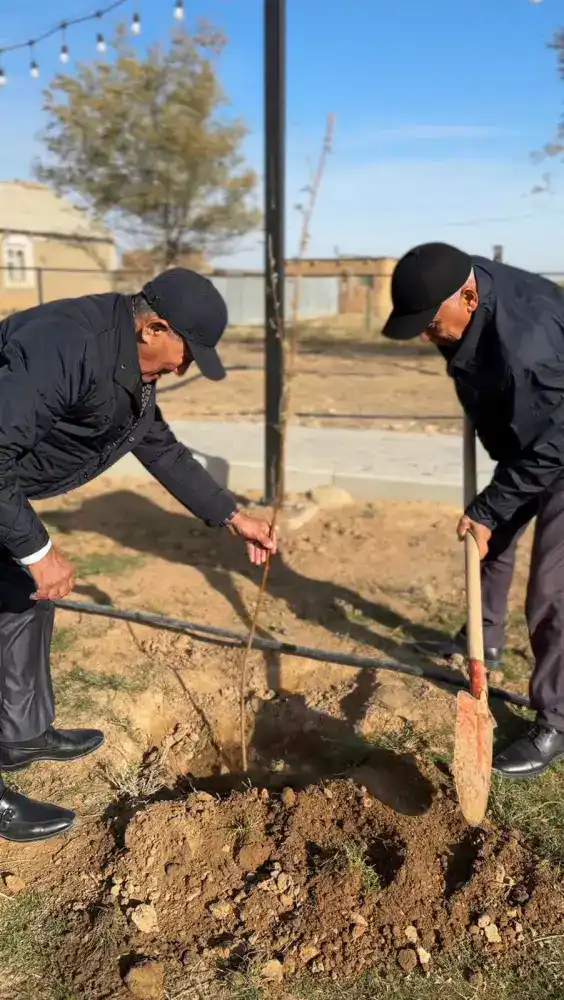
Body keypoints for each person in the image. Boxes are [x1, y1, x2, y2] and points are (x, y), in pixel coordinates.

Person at [0, 268, 277, 842]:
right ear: (154, 327)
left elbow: (156, 443)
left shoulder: (128, 358)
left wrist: (231, 515)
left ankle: (21, 731)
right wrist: (39, 547)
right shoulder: (65, 346)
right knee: (28, 570)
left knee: (21, 593)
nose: (185, 368)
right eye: (186, 353)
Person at [382, 242, 564, 781]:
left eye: (432, 323)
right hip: (533, 436)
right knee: (483, 542)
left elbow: (555, 443)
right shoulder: (468, 299)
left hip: (561, 443)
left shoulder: (530, 345)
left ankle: (557, 716)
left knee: (553, 587)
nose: (425, 335)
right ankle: (482, 646)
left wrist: (494, 503)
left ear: (466, 296)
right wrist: (493, 507)